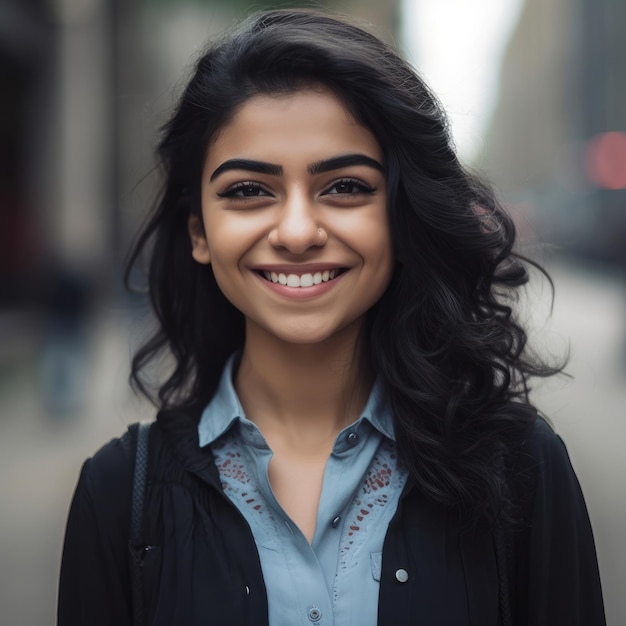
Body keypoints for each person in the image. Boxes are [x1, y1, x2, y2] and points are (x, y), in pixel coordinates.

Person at [57, 8, 605, 626]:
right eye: (248, 190)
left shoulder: (522, 467)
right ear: (199, 232)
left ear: (400, 217)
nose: (296, 232)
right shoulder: (117, 496)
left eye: (344, 187)